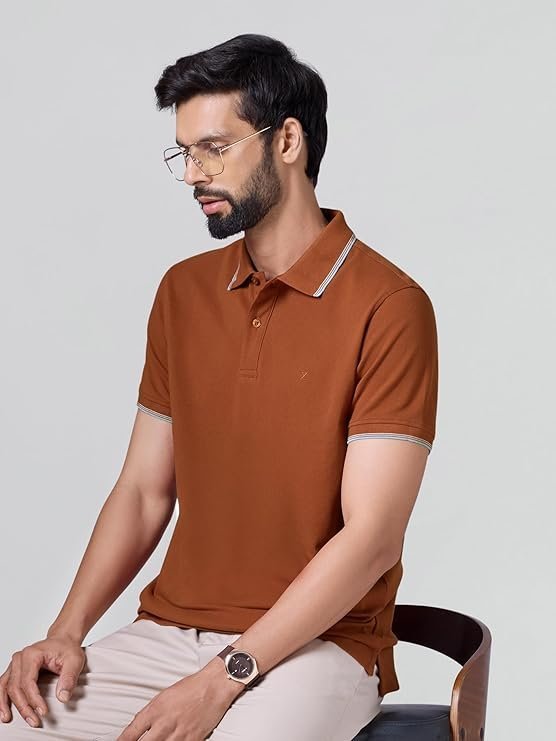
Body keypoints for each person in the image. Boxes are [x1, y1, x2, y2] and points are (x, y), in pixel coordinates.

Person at [0, 33, 438, 741]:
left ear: (287, 141)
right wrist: (66, 630)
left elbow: (372, 539)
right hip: (169, 631)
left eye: (214, 148)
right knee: (19, 727)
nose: (193, 175)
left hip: (321, 646)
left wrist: (221, 678)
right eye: (184, 152)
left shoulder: (388, 305)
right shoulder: (183, 292)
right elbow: (144, 491)